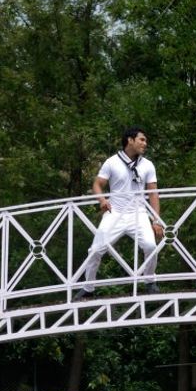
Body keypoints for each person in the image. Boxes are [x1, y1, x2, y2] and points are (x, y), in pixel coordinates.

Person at [75, 126, 163, 300]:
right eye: (142, 139)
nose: (145, 143)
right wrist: (102, 200)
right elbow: (97, 184)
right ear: (130, 140)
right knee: (95, 250)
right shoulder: (112, 162)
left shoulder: (147, 165)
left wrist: (156, 220)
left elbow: (153, 193)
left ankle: (150, 281)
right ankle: (88, 287)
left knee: (151, 246)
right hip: (115, 213)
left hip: (138, 213)